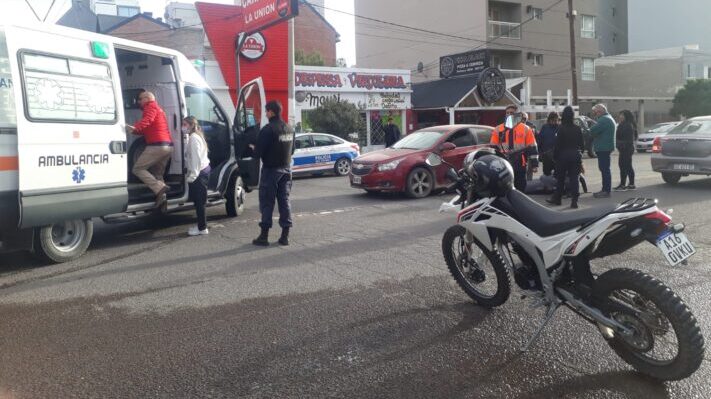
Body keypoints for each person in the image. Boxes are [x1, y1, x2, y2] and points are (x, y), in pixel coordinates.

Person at [252, 100, 295, 247]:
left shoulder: (267, 129)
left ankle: (263, 237)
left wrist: (252, 147)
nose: (265, 113)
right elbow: (292, 150)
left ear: (271, 112)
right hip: (286, 170)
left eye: (266, 111)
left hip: (271, 171)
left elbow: (258, 153)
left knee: (267, 202)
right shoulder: (289, 129)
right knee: (284, 201)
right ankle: (285, 236)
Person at [126, 91, 173, 207]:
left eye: (140, 99)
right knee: (157, 174)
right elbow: (147, 128)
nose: (139, 102)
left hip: (157, 146)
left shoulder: (151, 106)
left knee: (138, 169)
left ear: (147, 98)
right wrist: (134, 130)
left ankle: (159, 188)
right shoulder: (159, 109)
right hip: (167, 146)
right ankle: (162, 200)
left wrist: (135, 127)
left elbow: (147, 120)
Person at [490, 107, 539, 192]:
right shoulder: (498, 129)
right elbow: (493, 147)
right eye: (507, 113)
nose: (509, 114)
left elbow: (532, 146)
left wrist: (534, 164)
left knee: (520, 187)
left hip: (520, 161)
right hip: (504, 162)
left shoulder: (525, 129)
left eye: (511, 113)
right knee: (504, 187)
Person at [547, 106, 584, 208]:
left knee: (561, 179)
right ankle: (574, 201)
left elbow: (557, 145)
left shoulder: (561, 128)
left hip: (562, 156)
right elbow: (582, 145)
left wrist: (555, 156)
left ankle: (557, 199)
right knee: (574, 178)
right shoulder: (577, 128)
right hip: (575, 155)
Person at [182, 116, 211, 236]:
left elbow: (196, 159)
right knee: (200, 201)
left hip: (199, 173)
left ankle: (202, 228)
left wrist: (192, 176)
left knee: (200, 202)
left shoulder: (193, 138)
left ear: (190, 125)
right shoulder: (197, 135)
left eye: (184, 124)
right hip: (204, 170)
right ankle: (201, 225)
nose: (183, 127)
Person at [589, 104, 616, 198]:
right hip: (606, 147)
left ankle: (606, 190)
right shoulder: (608, 118)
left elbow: (592, 131)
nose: (595, 114)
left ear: (600, 111)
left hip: (603, 148)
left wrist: (590, 126)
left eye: (595, 112)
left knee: (604, 169)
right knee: (605, 169)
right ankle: (605, 189)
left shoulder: (603, 119)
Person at [614, 110, 638, 191]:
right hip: (623, 149)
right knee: (623, 166)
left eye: (622, 115)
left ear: (626, 116)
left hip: (627, 149)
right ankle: (624, 184)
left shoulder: (628, 125)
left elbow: (629, 140)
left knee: (627, 166)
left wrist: (619, 143)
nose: (620, 116)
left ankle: (630, 184)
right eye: (620, 115)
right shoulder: (622, 124)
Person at [537, 112, 559, 176]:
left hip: (557, 158)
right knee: (546, 175)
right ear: (549, 120)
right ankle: (546, 186)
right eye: (553, 120)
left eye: (556, 120)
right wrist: (540, 153)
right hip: (546, 157)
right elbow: (539, 141)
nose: (555, 122)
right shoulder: (544, 127)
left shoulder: (560, 128)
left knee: (557, 176)